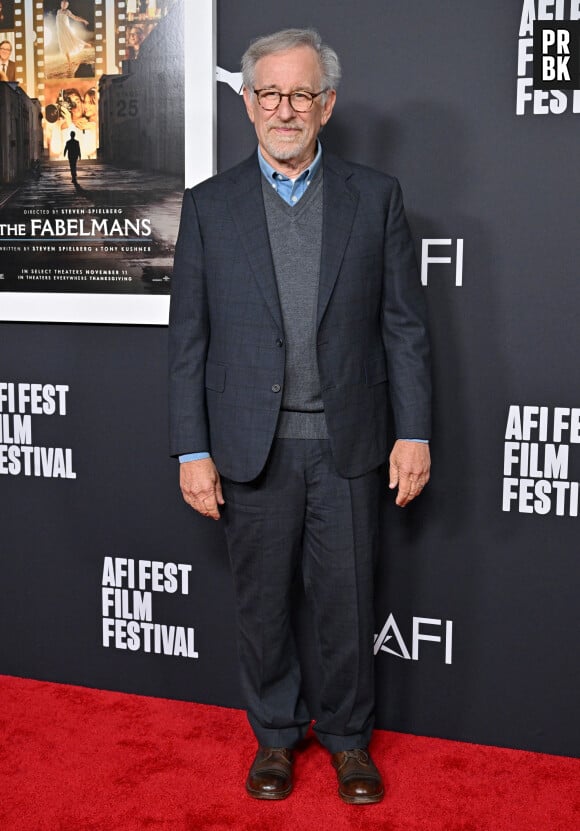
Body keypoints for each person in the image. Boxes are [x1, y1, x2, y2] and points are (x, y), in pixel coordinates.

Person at [168, 28, 431, 805]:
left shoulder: (375, 196)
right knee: (261, 607)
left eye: (303, 94)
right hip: (249, 449)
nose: (287, 108)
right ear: (248, 104)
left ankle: (350, 741)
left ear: (328, 104)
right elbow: (189, 341)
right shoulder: (208, 207)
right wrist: (192, 447)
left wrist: (413, 431)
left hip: (349, 445)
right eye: (271, 94)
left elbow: (404, 327)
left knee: (348, 606)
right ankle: (276, 738)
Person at [56, 0, 91, 76]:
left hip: (66, 29)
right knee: (64, 46)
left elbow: (75, 17)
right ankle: (69, 63)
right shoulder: (58, 11)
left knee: (74, 39)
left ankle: (86, 44)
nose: (64, 5)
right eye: (63, 4)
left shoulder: (67, 11)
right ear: (61, 4)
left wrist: (83, 20)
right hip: (60, 32)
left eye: (66, 4)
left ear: (67, 6)